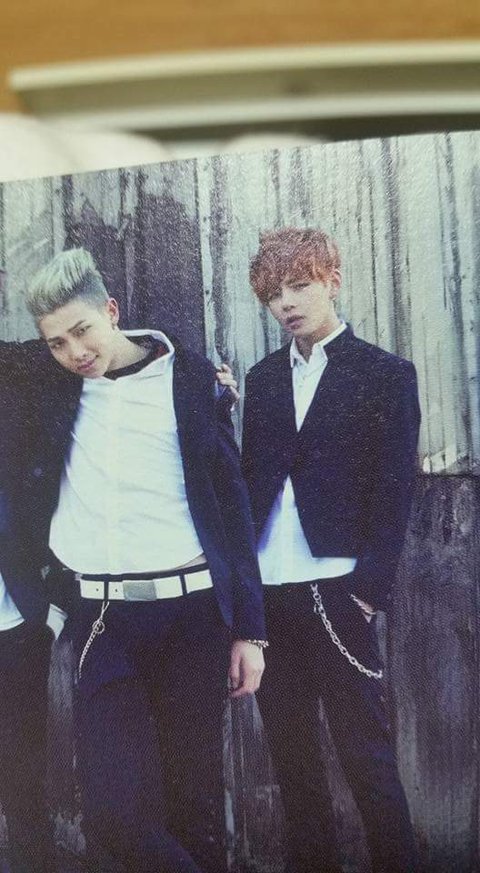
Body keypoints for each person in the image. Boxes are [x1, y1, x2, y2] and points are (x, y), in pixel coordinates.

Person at [16, 246, 267, 873]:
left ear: (111, 310)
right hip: (103, 620)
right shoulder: (52, 383)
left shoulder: (190, 379)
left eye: (83, 331)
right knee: (114, 814)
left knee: (194, 807)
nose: (75, 352)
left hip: (193, 616)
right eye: (56, 343)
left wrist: (250, 629)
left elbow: (232, 506)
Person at [241, 227, 421, 873]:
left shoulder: (384, 373)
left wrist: (366, 591)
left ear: (332, 281)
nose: (287, 302)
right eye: (274, 294)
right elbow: (251, 482)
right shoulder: (263, 379)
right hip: (270, 592)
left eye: (300, 285)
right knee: (292, 763)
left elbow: (395, 487)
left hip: (338, 591)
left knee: (366, 758)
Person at [0, 361, 58, 873]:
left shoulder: (18, 375)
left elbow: (81, 355)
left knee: (24, 764)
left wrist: (50, 614)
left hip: (15, 622)